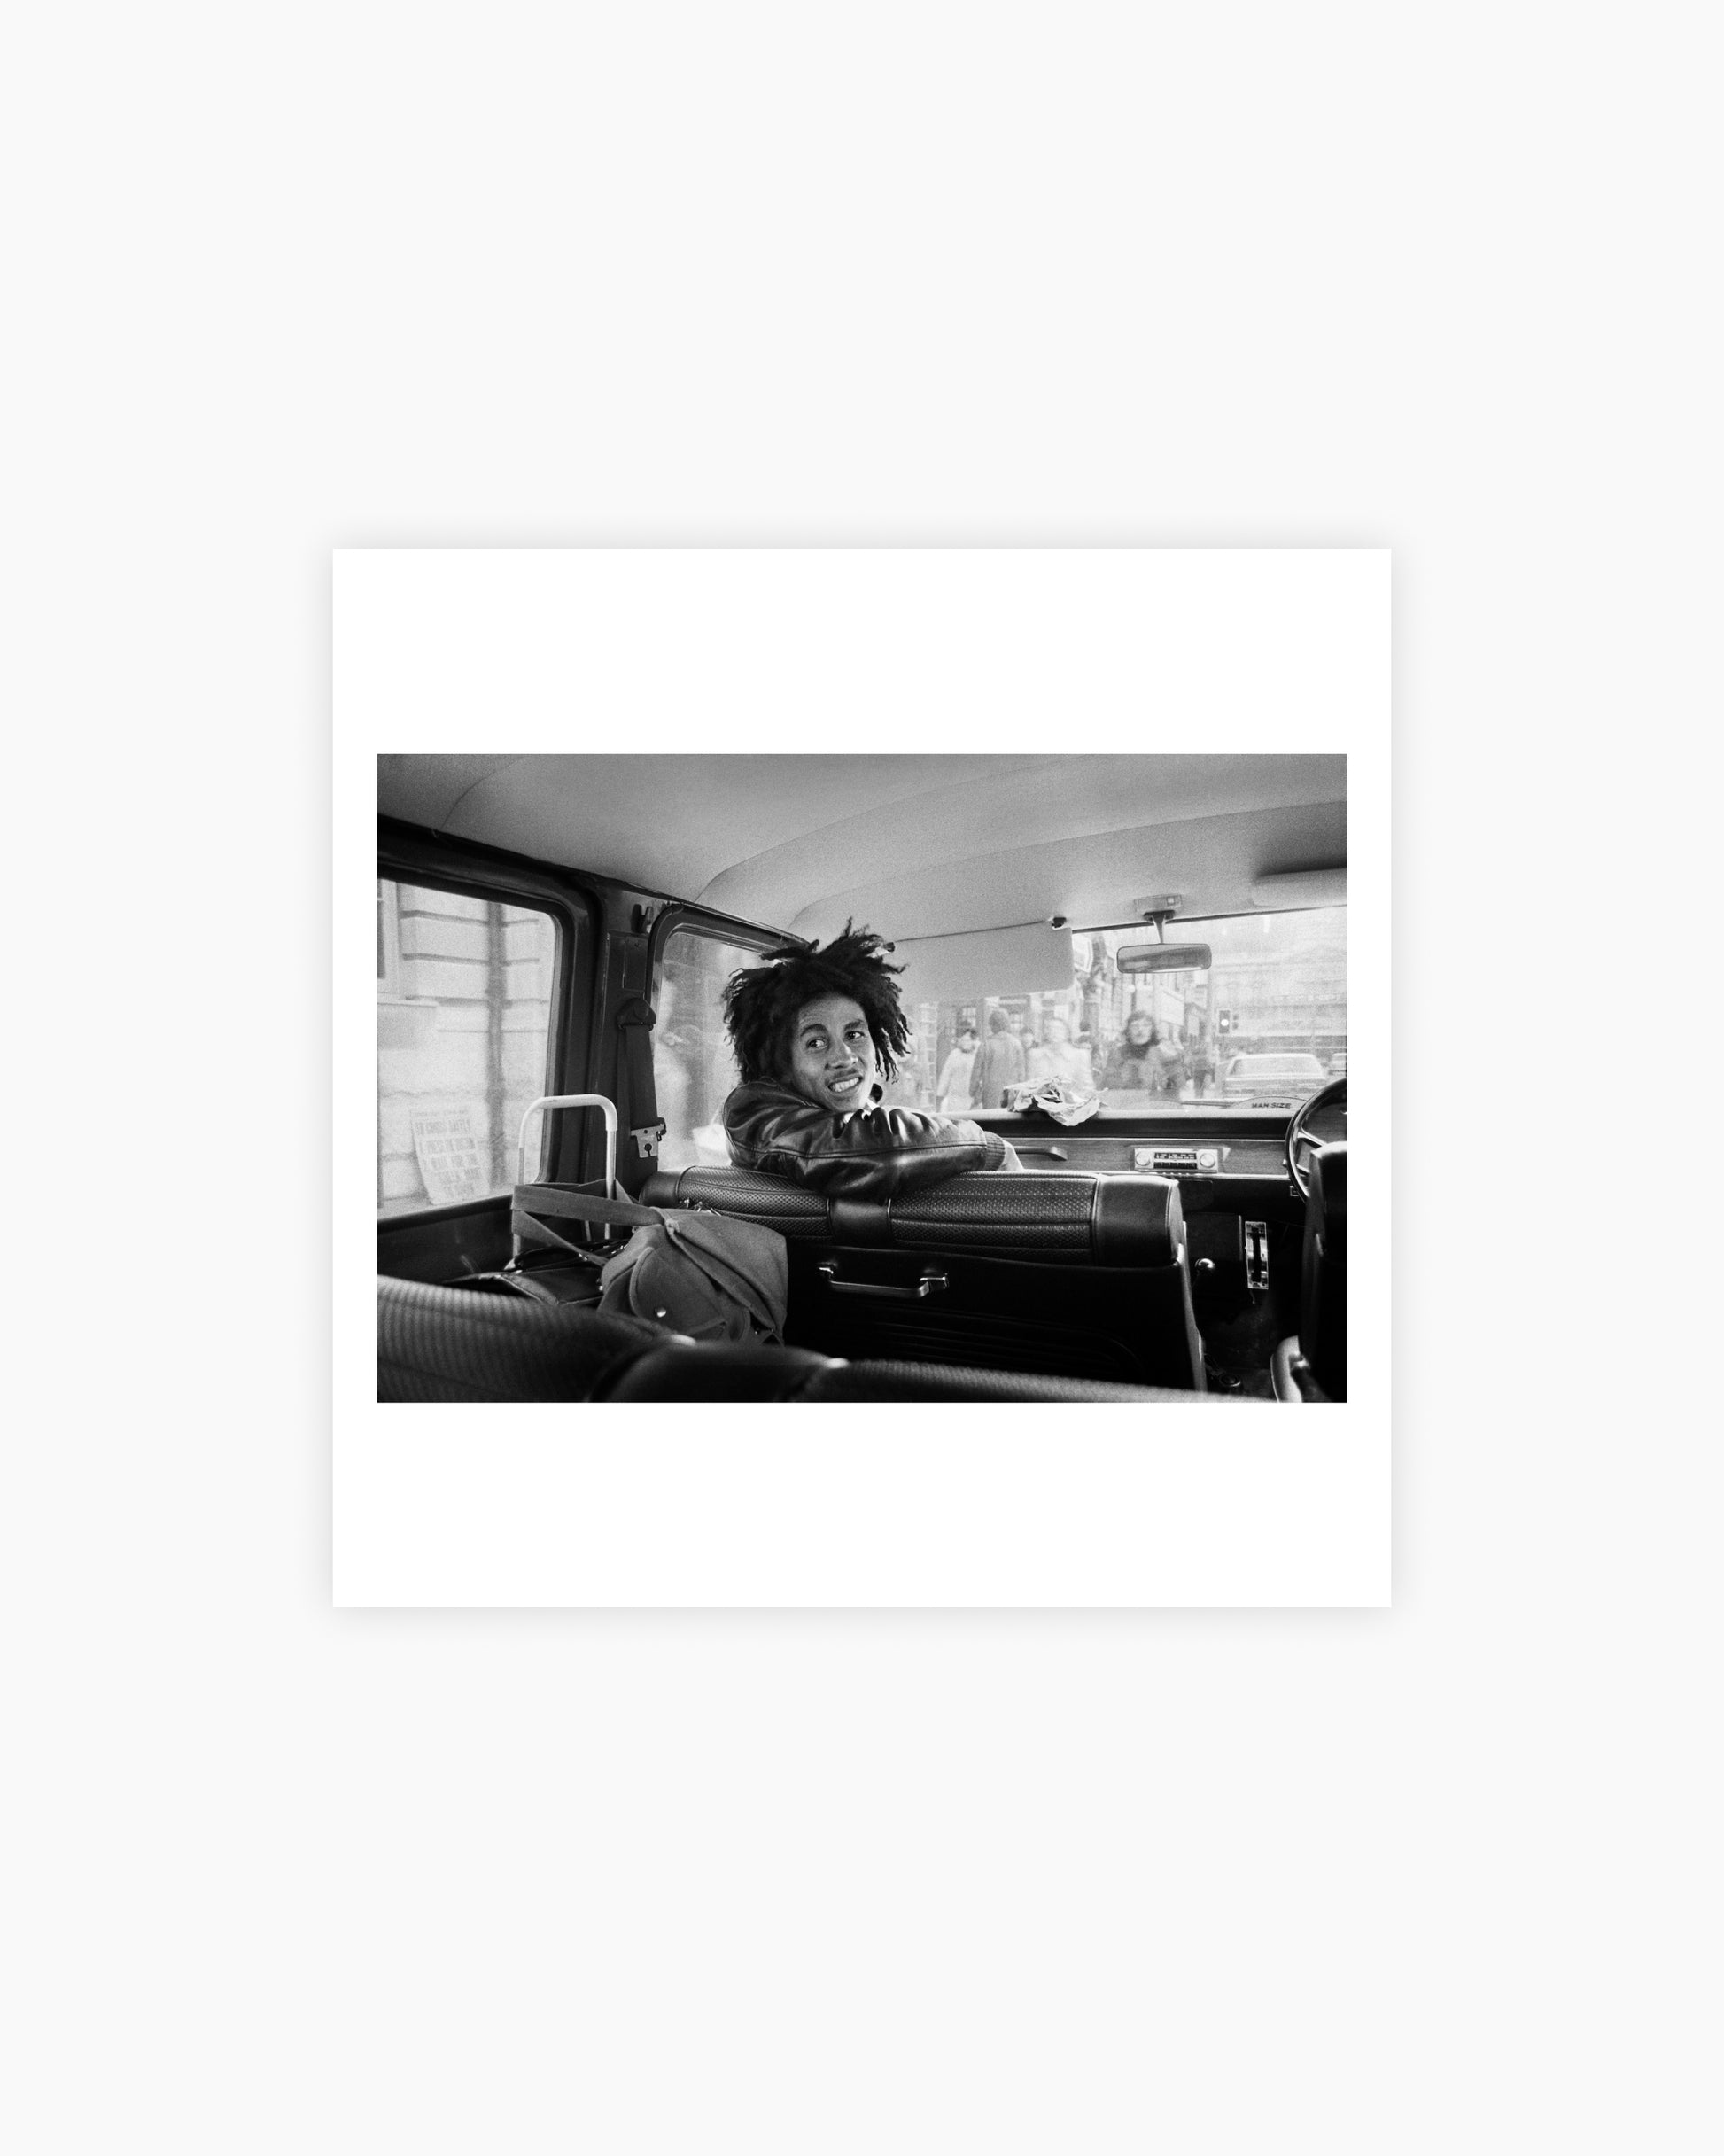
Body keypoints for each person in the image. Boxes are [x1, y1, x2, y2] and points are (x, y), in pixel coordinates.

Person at [720, 923, 1023, 1197]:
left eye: (854, 1035)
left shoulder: (850, 1113)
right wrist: (987, 1147)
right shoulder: (752, 1112)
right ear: (782, 1064)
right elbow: (878, 1151)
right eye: (816, 1043)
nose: (844, 1056)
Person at [967, 1007, 1026, 1109]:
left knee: (992, 1117)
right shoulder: (1016, 1044)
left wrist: (972, 1091)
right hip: (1011, 1093)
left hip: (990, 1093)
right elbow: (1021, 1073)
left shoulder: (986, 1044)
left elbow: (976, 1071)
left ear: (992, 1024)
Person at [1025, 1014, 1091, 1090]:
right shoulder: (1034, 1055)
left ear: (1067, 1033)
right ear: (1046, 1033)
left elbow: (1087, 1088)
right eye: (1050, 1029)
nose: (1055, 1032)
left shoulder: (1080, 1056)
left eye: (1059, 1029)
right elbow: (1029, 1086)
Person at [1099, 1009, 1157, 1089]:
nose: (1140, 1029)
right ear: (1128, 1030)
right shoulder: (1117, 1053)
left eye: (1146, 1025)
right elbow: (1108, 1083)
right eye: (1134, 1025)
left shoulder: (1160, 1055)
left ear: (1152, 1030)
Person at [936, 1024, 979, 1114]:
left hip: (970, 1097)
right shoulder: (955, 1054)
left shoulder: (977, 1056)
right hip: (955, 1097)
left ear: (974, 1041)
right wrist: (940, 1093)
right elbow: (946, 1074)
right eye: (963, 1040)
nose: (965, 1043)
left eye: (968, 1040)